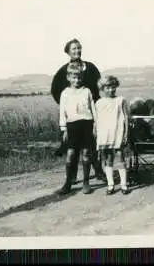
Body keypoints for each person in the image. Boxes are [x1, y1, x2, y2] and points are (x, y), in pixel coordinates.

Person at [50, 38, 106, 184]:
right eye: (73, 48)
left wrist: (96, 103)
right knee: (72, 150)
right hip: (73, 118)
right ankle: (72, 179)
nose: (77, 51)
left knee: (91, 147)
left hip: (89, 113)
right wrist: (69, 106)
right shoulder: (64, 70)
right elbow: (55, 89)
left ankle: (99, 173)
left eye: (79, 48)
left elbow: (99, 86)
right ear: (68, 52)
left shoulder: (91, 67)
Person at [58, 62, 98, 195]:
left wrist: (96, 125)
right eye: (74, 78)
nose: (77, 80)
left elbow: (92, 108)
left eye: (79, 77)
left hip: (87, 124)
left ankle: (86, 183)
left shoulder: (87, 91)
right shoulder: (65, 93)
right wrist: (64, 129)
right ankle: (68, 183)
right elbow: (62, 111)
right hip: (72, 126)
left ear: (82, 78)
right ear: (68, 78)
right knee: (71, 155)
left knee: (86, 154)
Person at [95, 76, 131, 195]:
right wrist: (96, 132)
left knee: (119, 158)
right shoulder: (99, 103)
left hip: (118, 133)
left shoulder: (121, 100)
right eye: (108, 87)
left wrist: (126, 133)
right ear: (102, 88)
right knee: (108, 160)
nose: (111, 90)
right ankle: (110, 185)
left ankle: (123, 185)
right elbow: (97, 120)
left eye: (113, 87)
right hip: (105, 134)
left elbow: (126, 117)